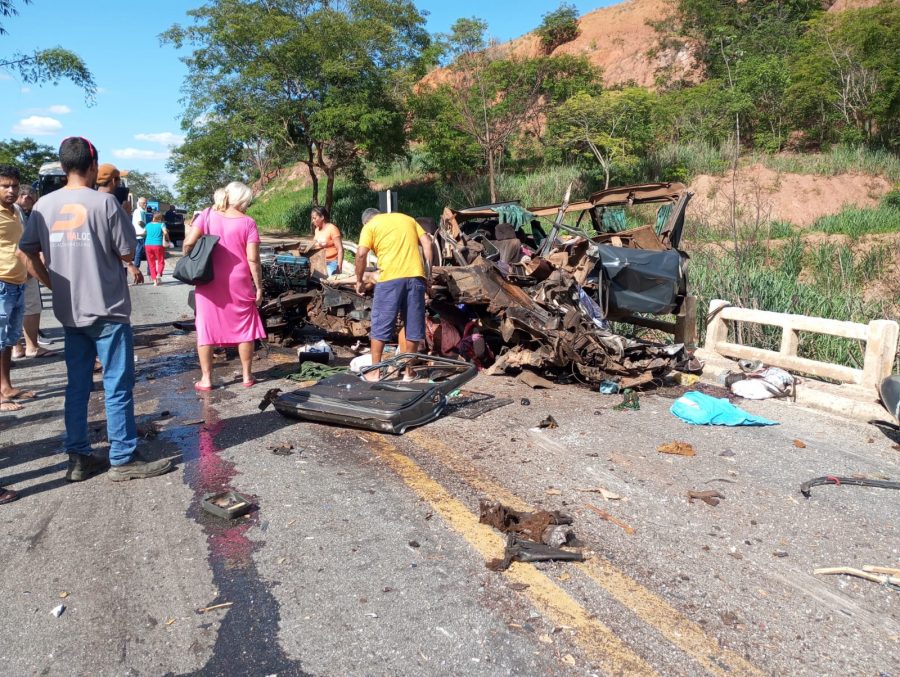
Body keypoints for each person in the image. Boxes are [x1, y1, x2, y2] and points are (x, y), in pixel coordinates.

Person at [19, 136, 172, 482]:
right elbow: (125, 251)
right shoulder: (105, 205)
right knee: (117, 384)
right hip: (108, 310)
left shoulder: (43, 206)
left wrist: (52, 283)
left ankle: (77, 458)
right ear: (92, 166)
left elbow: (28, 253)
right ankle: (123, 458)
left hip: (69, 312)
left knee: (77, 386)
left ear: (62, 168)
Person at [183, 181, 266, 390]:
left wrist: (195, 258)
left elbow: (188, 244)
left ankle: (207, 379)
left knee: (206, 328)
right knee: (245, 328)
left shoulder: (207, 214)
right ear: (242, 200)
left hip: (208, 279)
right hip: (239, 281)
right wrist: (259, 286)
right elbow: (253, 259)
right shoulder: (248, 222)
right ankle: (247, 376)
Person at [355, 208, 432, 378]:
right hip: (416, 277)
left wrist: (359, 281)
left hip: (389, 278)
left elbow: (361, 254)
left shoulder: (370, 226)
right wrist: (429, 274)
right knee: (413, 326)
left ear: (366, 221)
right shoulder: (408, 218)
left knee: (380, 325)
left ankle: (375, 372)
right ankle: (409, 373)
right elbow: (427, 243)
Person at [0, 165, 37, 415]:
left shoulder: (14, 211)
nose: (11, 190)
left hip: (17, 283)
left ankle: (6, 387)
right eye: (5, 186)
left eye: (14, 185)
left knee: (8, 340)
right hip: (1, 282)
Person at [12, 186, 53, 359]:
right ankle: (31, 346)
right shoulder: (16, 211)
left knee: (12, 308)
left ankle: (16, 347)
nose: (30, 200)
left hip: (9, 268)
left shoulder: (13, 211)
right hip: (22, 266)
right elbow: (23, 244)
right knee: (31, 307)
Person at [311, 206, 343, 276]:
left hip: (331, 263)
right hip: (319, 262)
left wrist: (339, 268)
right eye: (312, 218)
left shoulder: (332, 229)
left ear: (322, 217)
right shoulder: (317, 230)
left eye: (314, 218)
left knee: (327, 281)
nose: (312, 221)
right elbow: (314, 245)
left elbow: (340, 249)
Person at [144, 211, 169, 286]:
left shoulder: (148, 225)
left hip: (148, 245)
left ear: (153, 217)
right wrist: (167, 238)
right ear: (160, 218)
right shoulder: (162, 224)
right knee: (160, 261)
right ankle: (158, 274)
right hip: (158, 245)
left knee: (151, 263)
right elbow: (165, 232)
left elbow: (144, 233)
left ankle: (154, 281)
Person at [132, 196, 148, 274]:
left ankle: (149, 270)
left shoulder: (141, 211)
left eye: (146, 203)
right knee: (139, 251)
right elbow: (139, 222)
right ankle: (136, 268)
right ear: (140, 203)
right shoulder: (138, 211)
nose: (145, 204)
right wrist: (147, 228)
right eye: (144, 203)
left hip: (141, 234)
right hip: (141, 234)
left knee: (144, 251)